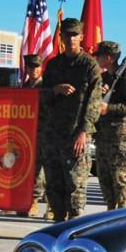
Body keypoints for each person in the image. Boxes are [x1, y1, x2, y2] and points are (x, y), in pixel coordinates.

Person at [39, 18, 102, 221]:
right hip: (53, 133)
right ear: (62, 37)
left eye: (75, 34)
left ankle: (74, 227)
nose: (71, 38)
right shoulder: (54, 65)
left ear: (81, 37)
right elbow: (41, 96)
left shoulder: (89, 66)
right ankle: (57, 222)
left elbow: (93, 103)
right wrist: (55, 90)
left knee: (75, 186)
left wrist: (83, 131)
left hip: (75, 133)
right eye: (67, 34)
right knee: (54, 184)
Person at [94, 41, 126, 210]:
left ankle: (121, 213)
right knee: (105, 179)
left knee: (120, 179)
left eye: (99, 55)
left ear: (108, 57)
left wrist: (109, 108)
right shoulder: (105, 78)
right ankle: (110, 210)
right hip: (103, 136)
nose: (96, 59)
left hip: (119, 137)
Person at [20, 54, 47, 217]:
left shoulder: (46, 87)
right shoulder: (23, 88)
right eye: (30, 67)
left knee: (42, 170)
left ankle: (36, 202)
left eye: (36, 67)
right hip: (26, 134)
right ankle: (24, 200)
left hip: (43, 132)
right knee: (27, 167)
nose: (33, 70)